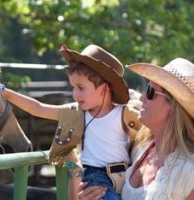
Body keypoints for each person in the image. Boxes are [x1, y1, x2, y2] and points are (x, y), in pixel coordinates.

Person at [2, 44, 141, 200]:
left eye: (81, 87)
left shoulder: (124, 114)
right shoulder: (76, 113)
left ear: (104, 88)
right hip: (92, 175)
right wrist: (6, 93)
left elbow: (152, 130)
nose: (75, 94)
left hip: (125, 176)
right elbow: (38, 108)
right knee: (74, 169)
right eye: (73, 87)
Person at [78, 57, 194, 200]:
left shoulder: (189, 171)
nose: (142, 98)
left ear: (173, 107)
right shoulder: (139, 148)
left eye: (151, 92)